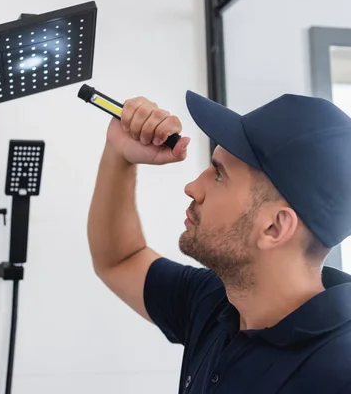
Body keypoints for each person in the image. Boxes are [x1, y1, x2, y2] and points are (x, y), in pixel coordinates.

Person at [87, 91, 351, 393]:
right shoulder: (218, 303)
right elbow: (119, 260)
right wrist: (118, 154)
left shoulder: (337, 375)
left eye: (219, 175)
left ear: (275, 227)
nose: (192, 187)